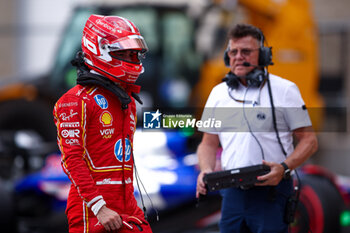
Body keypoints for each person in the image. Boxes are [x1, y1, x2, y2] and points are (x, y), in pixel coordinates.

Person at [196, 23, 318, 233]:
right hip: (231, 193)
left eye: (246, 51)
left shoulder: (285, 90)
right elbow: (208, 143)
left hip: (271, 192)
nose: (238, 57)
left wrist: (285, 167)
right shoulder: (218, 93)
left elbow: (310, 141)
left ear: (262, 55)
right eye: (233, 52)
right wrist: (205, 170)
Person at [53, 14, 153, 233]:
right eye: (123, 53)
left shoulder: (127, 101)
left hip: (128, 206)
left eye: (134, 54)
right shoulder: (75, 100)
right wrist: (100, 208)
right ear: (100, 50)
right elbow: (72, 159)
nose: (131, 59)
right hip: (93, 211)